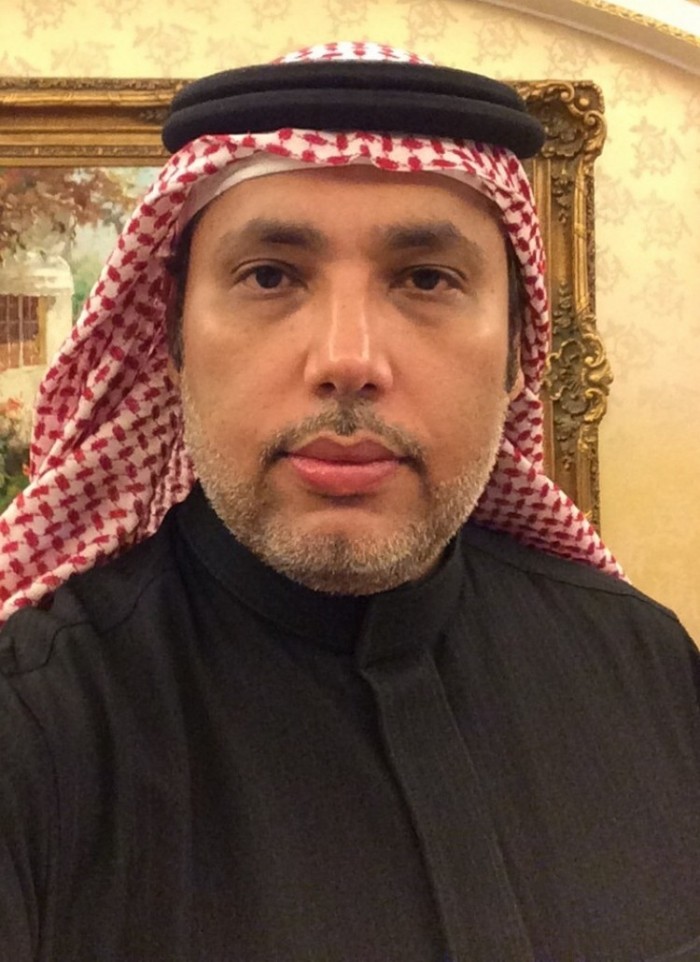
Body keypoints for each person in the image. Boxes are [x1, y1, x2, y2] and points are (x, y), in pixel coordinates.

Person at [0, 41, 698, 962]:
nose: (347, 360)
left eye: (426, 279)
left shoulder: (646, 666)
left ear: (518, 351)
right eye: (270, 275)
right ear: (170, 339)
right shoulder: (35, 729)